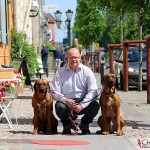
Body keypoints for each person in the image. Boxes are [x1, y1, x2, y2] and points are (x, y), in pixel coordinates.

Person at [50, 48, 99, 135]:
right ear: (67, 58)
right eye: (71, 57)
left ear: (80, 57)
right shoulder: (60, 72)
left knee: (95, 106)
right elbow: (54, 91)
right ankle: (67, 124)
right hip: (67, 101)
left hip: (83, 100)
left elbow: (93, 91)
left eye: (76, 57)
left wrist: (82, 105)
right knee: (59, 107)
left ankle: (84, 124)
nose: (74, 60)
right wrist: (65, 100)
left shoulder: (87, 71)